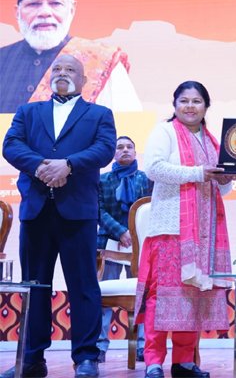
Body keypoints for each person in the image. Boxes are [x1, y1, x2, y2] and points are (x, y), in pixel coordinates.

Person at [1, 54, 116, 378]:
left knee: (83, 285)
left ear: (83, 80)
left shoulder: (99, 114)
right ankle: (32, 359)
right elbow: (11, 145)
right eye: (57, 69)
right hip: (37, 211)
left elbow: (104, 149)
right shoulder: (28, 111)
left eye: (70, 70)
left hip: (77, 213)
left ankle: (86, 358)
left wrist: (68, 165)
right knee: (35, 285)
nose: (62, 73)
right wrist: (40, 166)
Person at [134, 81, 235, 378]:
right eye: (184, 101)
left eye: (197, 101)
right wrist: (198, 172)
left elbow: (221, 190)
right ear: (175, 104)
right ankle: (153, 361)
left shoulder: (212, 141)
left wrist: (227, 178)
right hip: (171, 227)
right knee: (163, 295)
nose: (190, 106)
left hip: (205, 231)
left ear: (206, 106)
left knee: (193, 296)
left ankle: (183, 362)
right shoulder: (164, 131)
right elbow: (153, 168)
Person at [0, 0, 142, 113]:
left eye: (55, 3)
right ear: (17, 12)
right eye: (33, 4)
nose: (44, 12)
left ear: (72, 10)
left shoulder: (102, 60)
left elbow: (128, 126)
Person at [96, 136, 152, 363]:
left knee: (142, 298)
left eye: (129, 147)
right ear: (114, 153)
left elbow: (149, 208)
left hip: (140, 247)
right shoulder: (102, 180)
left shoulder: (146, 179)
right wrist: (120, 232)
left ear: (135, 153)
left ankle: (142, 346)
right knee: (102, 298)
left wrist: (133, 234)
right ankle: (99, 347)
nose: (125, 150)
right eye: (120, 147)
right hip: (108, 245)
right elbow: (98, 210)